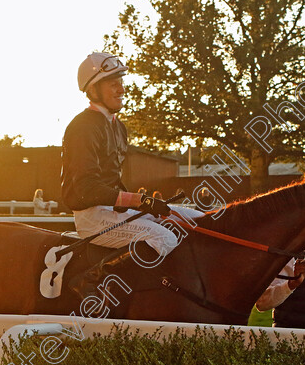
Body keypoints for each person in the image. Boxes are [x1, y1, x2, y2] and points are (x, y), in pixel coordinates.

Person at [61, 52, 204, 297]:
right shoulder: (83, 126)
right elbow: (86, 189)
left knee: (196, 218)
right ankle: (93, 279)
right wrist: (139, 201)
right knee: (166, 238)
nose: (121, 89)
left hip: (112, 211)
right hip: (91, 217)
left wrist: (141, 203)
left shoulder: (118, 126)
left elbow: (112, 182)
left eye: (121, 82)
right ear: (94, 89)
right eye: (113, 83)